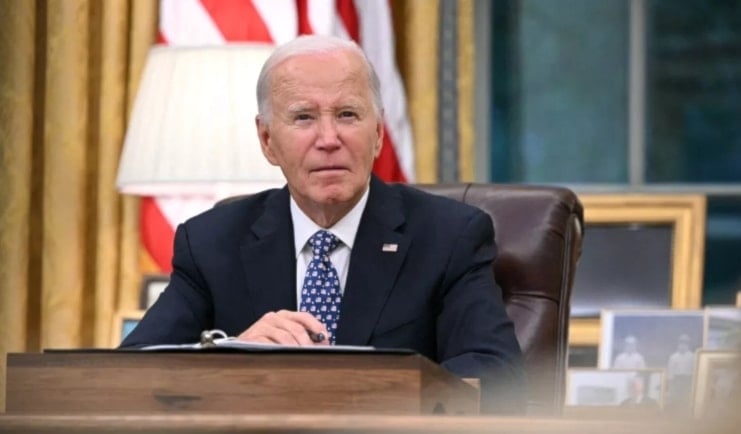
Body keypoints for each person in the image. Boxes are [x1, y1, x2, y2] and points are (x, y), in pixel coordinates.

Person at [120, 34, 526, 413]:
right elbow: (132, 373)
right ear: (266, 141)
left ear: (379, 133)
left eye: (348, 114)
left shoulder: (448, 236)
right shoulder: (211, 242)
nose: (329, 138)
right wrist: (230, 359)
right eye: (303, 118)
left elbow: (497, 375)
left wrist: (365, 396)